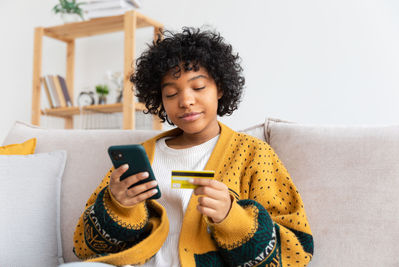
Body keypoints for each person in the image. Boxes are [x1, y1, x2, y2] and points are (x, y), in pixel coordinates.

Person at [72, 27, 314, 267]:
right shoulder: (142, 155)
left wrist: (231, 217)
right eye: (170, 93)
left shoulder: (253, 154)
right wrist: (118, 206)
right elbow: (83, 246)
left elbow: (296, 252)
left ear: (220, 88)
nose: (185, 101)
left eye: (198, 88)